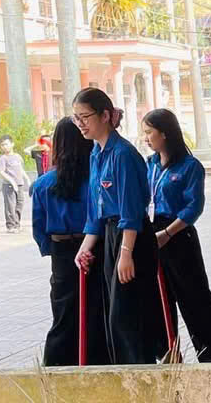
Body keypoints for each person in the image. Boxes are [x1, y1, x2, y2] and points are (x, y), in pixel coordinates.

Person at [72, 88, 168, 365]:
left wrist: (126, 254)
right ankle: (126, 371)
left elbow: (130, 210)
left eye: (85, 117)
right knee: (114, 315)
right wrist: (84, 248)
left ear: (105, 116)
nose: (80, 124)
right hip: (112, 236)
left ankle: (141, 373)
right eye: (76, 118)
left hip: (133, 238)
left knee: (128, 317)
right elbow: (96, 212)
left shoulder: (123, 154)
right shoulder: (96, 153)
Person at [141, 108, 211, 362]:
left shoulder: (190, 166)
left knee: (194, 298)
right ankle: (168, 353)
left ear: (165, 133)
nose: (146, 138)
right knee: (158, 298)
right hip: (152, 233)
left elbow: (193, 206)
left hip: (178, 235)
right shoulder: (150, 164)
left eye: (149, 132)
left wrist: (168, 233)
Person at [32, 117, 108, 367]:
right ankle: (98, 362)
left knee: (64, 312)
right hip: (95, 246)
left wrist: (51, 250)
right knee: (97, 307)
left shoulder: (43, 184)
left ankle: (57, 366)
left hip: (62, 251)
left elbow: (38, 226)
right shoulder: (96, 182)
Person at [0, 136, 28, 233]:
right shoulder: (3, 158)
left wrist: (27, 179)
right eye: (2, 145)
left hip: (20, 184)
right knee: (10, 205)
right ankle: (10, 226)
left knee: (19, 204)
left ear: (12, 144)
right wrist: (12, 181)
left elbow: (21, 169)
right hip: (8, 186)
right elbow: (1, 171)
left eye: (6, 144)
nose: (4, 147)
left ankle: (17, 225)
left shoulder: (17, 156)